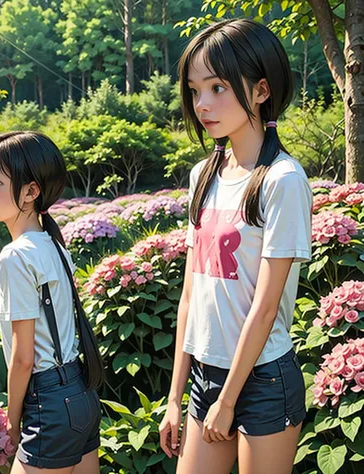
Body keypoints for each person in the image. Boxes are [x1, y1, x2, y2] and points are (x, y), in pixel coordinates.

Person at [159, 19, 312, 474]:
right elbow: (192, 294)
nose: (202, 104)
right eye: (194, 90)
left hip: (264, 378)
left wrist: (228, 401)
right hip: (206, 374)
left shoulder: (282, 180)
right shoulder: (202, 176)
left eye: (218, 87)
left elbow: (265, 309)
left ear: (261, 90)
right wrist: (175, 397)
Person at [0, 131, 104, 474]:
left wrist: (13, 419)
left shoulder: (14, 256)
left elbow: (23, 358)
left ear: (31, 191)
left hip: (46, 401)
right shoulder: (53, 245)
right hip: (81, 392)